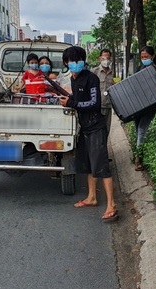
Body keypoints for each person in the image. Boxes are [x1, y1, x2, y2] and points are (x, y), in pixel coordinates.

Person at [59, 46, 118, 223]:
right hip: (84, 127)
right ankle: (92, 197)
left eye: (79, 60)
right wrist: (70, 100)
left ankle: (112, 205)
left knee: (101, 166)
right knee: (87, 165)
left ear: (83, 62)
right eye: (72, 61)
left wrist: (72, 103)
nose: (75, 64)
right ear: (66, 63)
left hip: (96, 127)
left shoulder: (91, 78)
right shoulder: (73, 79)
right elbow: (77, 101)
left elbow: (94, 103)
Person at [90, 48, 115, 138]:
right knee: (96, 130)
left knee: (106, 130)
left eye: (108, 58)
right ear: (99, 59)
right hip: (96, 107)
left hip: (108, 106)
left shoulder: (112, 73)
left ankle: (103, 150)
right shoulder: (94, 72)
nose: (106, 61)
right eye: (104, 58)